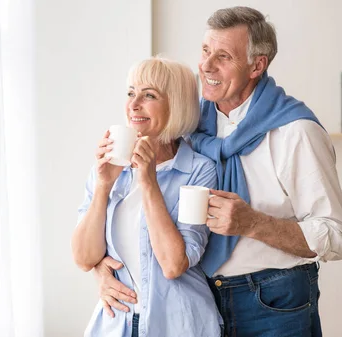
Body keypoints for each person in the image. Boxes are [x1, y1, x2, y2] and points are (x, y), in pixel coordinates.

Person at [92, 6, 342, 337]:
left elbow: (335, 236)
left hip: (274, 301)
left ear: (257, 65)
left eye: (223, 56)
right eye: (206, 50)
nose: (206, 66)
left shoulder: (296, 132)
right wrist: (102, 270)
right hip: (201, 299)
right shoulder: (191, 123)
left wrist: (253, 224)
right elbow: (136, 211)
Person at [72, 57, 222, 337]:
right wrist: (103, 186)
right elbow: (83, 257)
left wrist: (149, 181)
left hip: (180, 326)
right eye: (131, 93)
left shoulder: (199, 171)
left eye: (149, 95)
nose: (133, 104)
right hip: (117, 323)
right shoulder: (108, 170)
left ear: (175, 105)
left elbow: (174, 264)